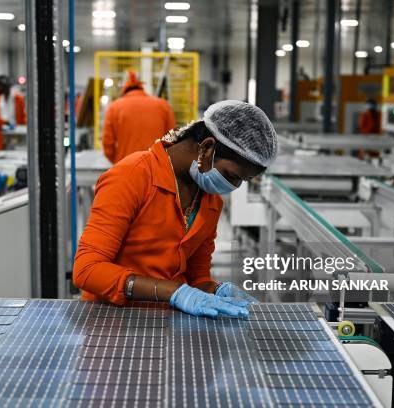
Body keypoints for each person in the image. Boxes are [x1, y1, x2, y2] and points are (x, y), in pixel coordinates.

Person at [74, 100, 278, 318]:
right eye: (232, 176)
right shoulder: (133, 176)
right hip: (113, 320)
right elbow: (87, 270)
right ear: (207, 148)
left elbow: (197, 276)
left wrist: (216, 290)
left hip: (166, 321)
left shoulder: (210, 201)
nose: (233, 187)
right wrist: (174, 292)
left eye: (242, 181)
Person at [102, 71, 176, 164]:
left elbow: (107, 144)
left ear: (124, 87)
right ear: (141, 85)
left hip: (126, 166)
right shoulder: (163, 105)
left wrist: (118, 161)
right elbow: (173, 139)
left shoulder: (114, 108)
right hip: (156, 167)